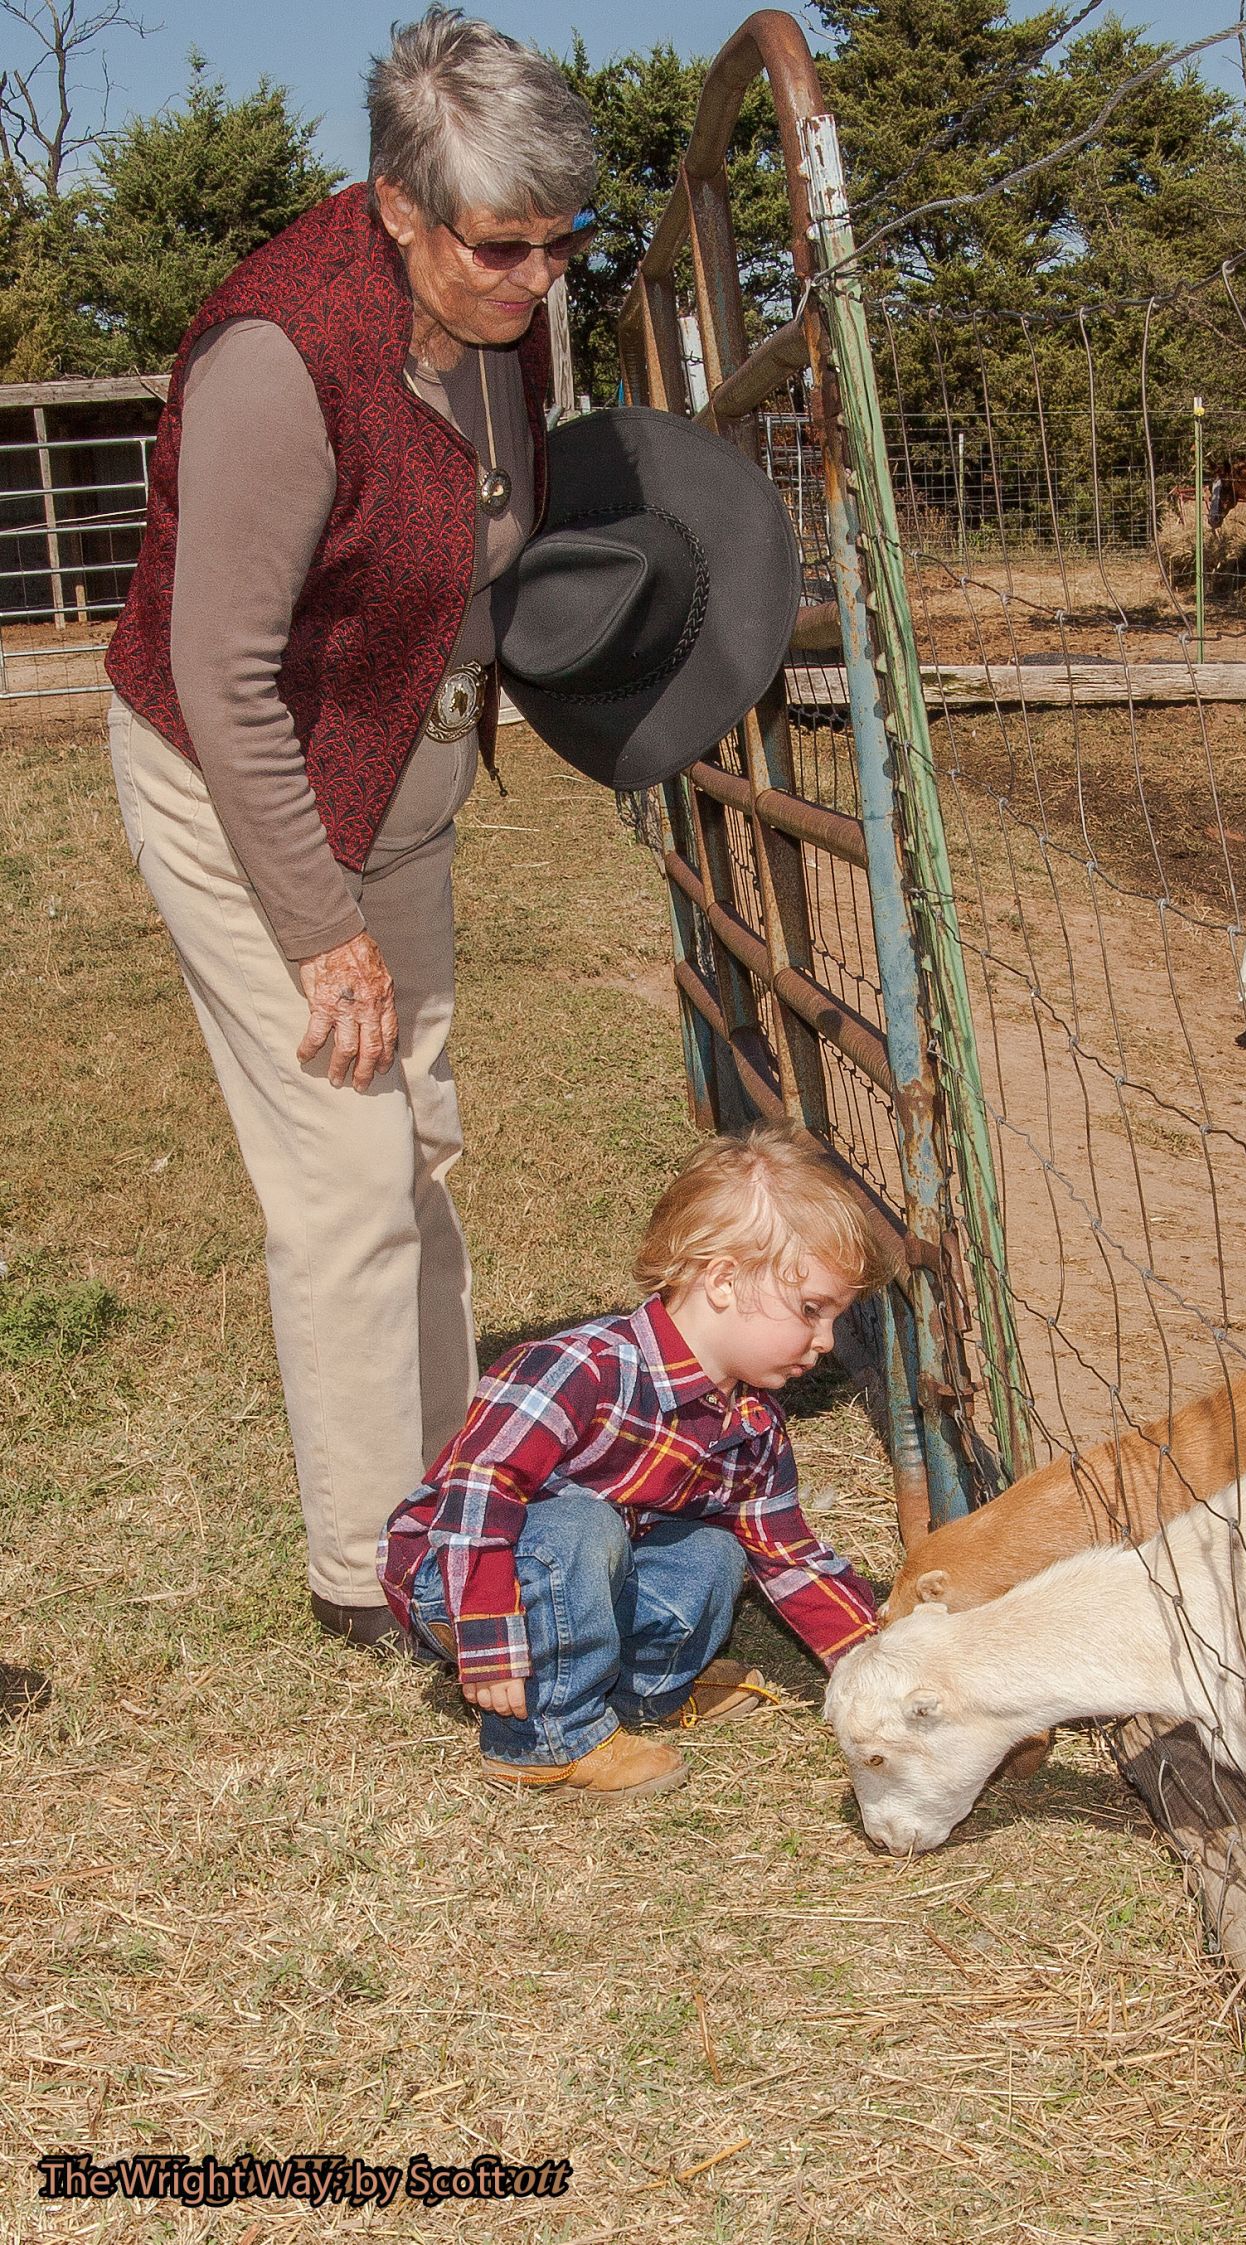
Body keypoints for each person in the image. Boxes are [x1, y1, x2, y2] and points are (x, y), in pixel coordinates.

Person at [102, 11, 597, 1648]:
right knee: (343, 1170)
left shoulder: (501, 318)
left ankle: (446, 1486)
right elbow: (222, 676)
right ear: (396, 204)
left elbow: (481, 540)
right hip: (245, 786)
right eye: (501, 246)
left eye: (561, 243)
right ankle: (369, 1568)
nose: (536, 279)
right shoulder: (281, 355)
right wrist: (322, 932)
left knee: (418, 1141)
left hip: (396, 782)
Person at [378, 1122, 901, 1803]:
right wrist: (488, 1634)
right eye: (811, 1309)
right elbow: (479, 1495)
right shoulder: (578, 1369)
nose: (825, 1340)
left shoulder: (750, 1424)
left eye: (833, 1318)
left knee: (716, 1551)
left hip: (592, 1573)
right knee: (579, 1526)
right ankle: (546, 1740)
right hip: (465, 1577)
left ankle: (643, 1687)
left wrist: (873, 1659)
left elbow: (788, 1553)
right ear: (723, 1279)